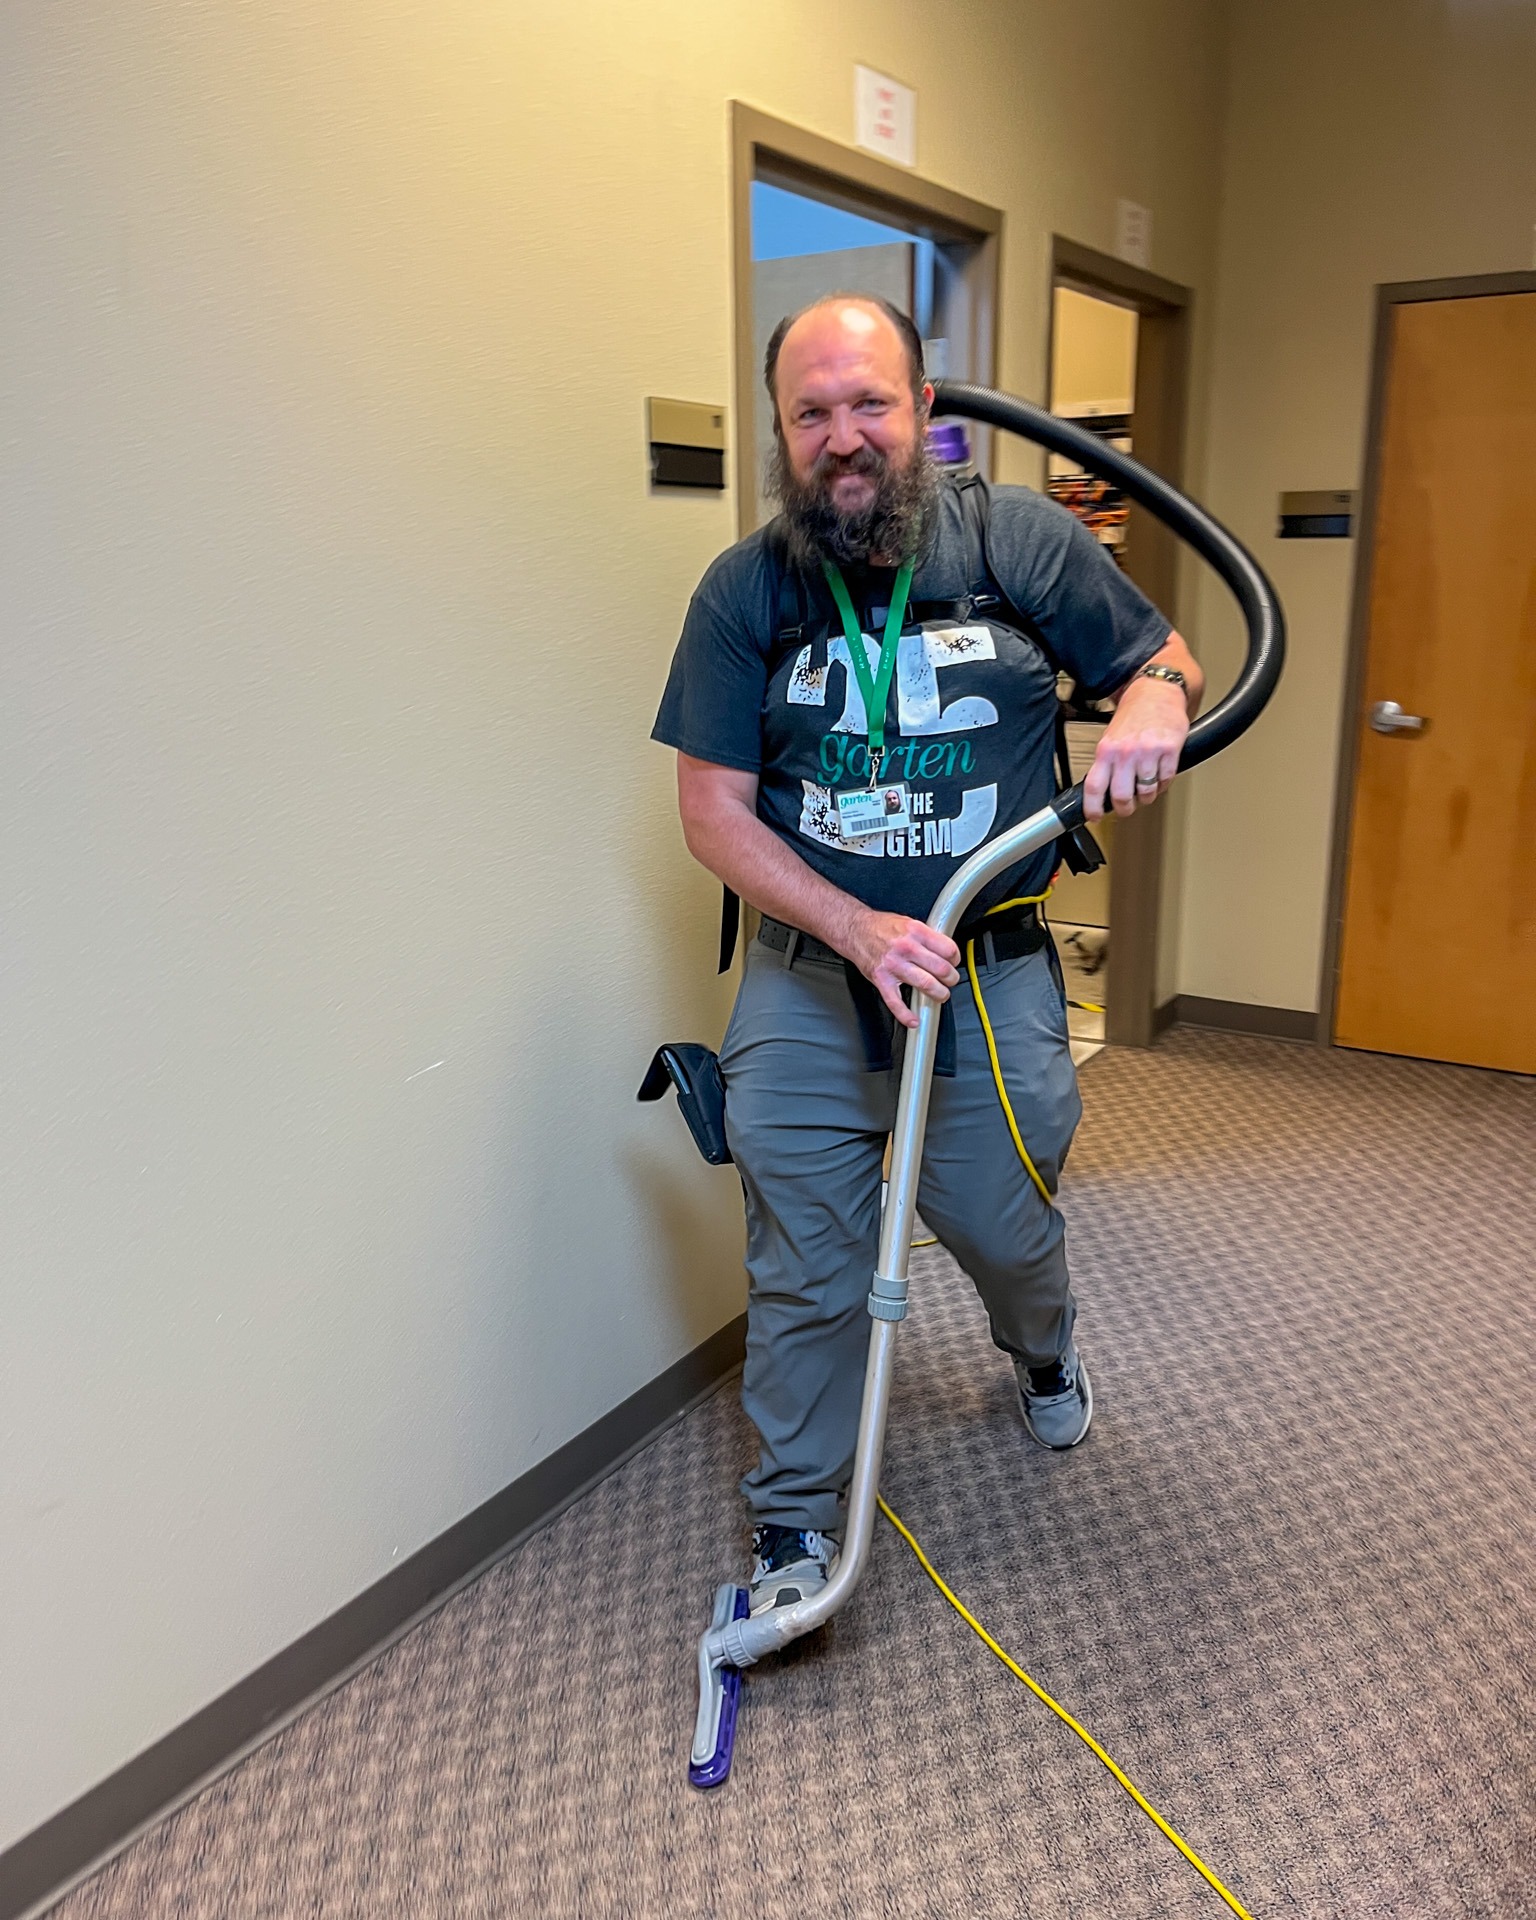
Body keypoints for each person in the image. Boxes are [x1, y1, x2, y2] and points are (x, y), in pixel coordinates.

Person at [652, 294, 1203, 1616]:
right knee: (806, 1259)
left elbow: (1164, 655)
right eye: (813, 412)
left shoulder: (1018, 538)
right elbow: (712, 811)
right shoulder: (746, 590)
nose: (845, 437)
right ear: (783, 432)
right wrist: (852, 924)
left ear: (928, 410)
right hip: (807, 974)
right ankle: (794, 1526)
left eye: (871, 403)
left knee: (999, 1221)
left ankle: (1043, 1346)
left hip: (988, 966)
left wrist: (1152, 698)